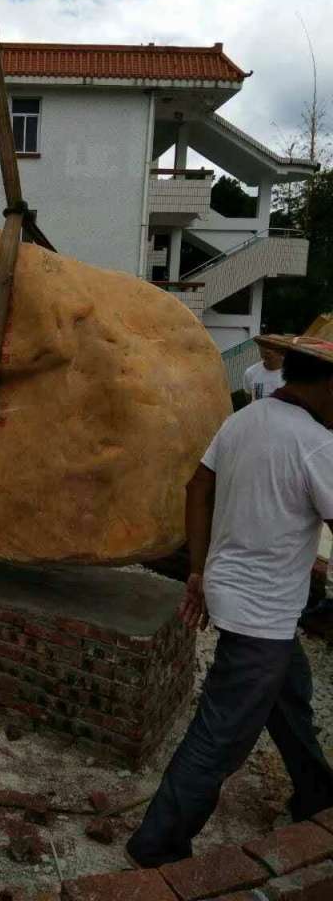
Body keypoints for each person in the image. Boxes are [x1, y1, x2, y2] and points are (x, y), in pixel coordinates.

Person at [127, 334, 333, 868]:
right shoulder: (316, 444)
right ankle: (158, 844)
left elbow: (198, 485)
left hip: (238, 594)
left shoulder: (246, 420)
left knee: (289, 696)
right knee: (221, 736)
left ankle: (316, 793)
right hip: (262, 611)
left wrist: (197, 568)